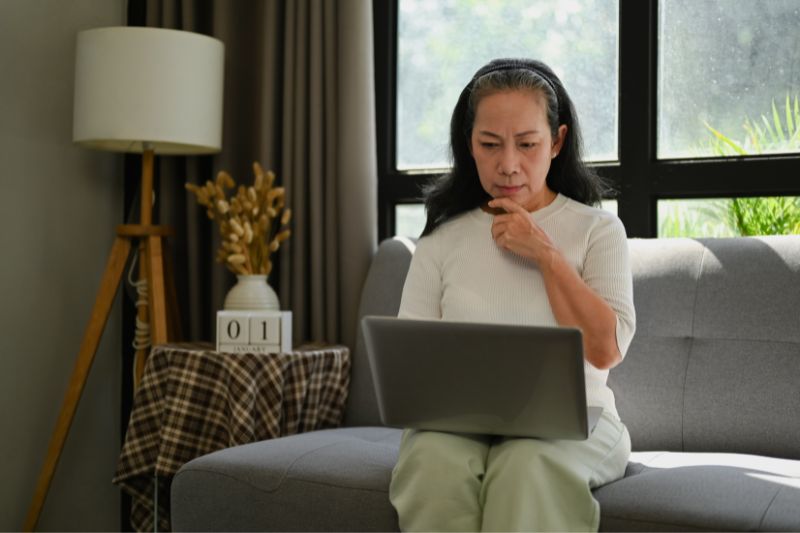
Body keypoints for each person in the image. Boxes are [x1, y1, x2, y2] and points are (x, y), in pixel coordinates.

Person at [390, 58, 636, 532]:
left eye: (527, 144)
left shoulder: (598, 231)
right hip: (459, 422)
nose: (508, 165)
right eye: (489, 144)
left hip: (579, 423)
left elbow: (606, 349)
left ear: (557, 142)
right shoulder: (441, 241)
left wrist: (545, 254)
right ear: (470, 146)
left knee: (525, 466)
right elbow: (410, 366)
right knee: (433, 462)